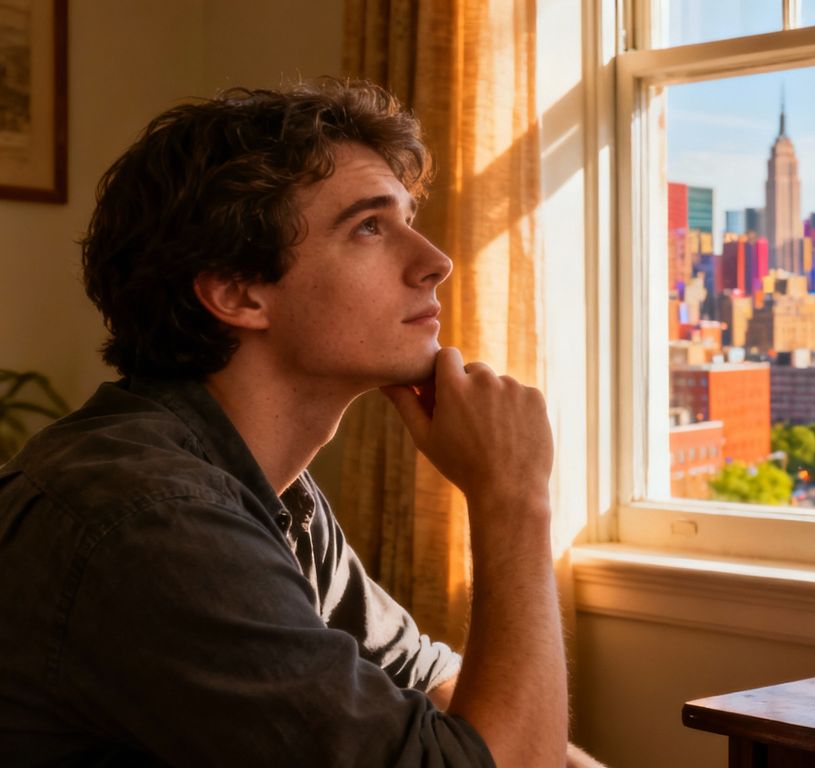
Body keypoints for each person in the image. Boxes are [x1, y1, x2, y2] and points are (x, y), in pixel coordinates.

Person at [0, 79, 590, 766]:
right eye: (370, 226)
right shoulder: (151, 520)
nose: (435, 262)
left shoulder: (274, 493)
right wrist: (514, 500)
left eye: (406, 218)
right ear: (237, 292)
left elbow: (436, 687)